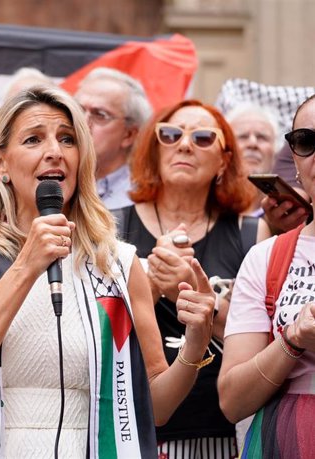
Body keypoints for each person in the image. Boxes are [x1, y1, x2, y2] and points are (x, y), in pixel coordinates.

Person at [0, 87, 216, 458]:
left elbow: (156, 408)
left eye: (67, 139)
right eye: (34, 139)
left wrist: (196, 341)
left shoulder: (119, 263)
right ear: (0, 163)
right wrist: (26, 265)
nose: (54, 151)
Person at [114, 99, 271, 458]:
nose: (184, 144)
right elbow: (94, 329)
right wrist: (150, 287)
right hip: (132, 429)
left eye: (202, 138)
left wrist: (198, 296)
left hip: (224, 432)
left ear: (223, 161)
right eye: (169, 135)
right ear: (154, 150)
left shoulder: (250, 232)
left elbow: (264, 340)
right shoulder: (113, 227)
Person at [218, 94, 315, 458]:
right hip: (287, 437)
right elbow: (233, 400)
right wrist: (293, 339)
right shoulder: (265, 257)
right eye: (307, 141)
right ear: (293, 156)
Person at [73, 67, 152, 209]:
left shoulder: (142, 203)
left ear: (129, 135)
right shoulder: (48, 183)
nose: (83, 123)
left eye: (100, 115)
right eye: (78, 110)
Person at [225, 103, 282, 216]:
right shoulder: (209, 212)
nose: (252, 143)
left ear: (276, 150)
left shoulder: (289, 215)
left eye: (262, 137)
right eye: (243, 136)